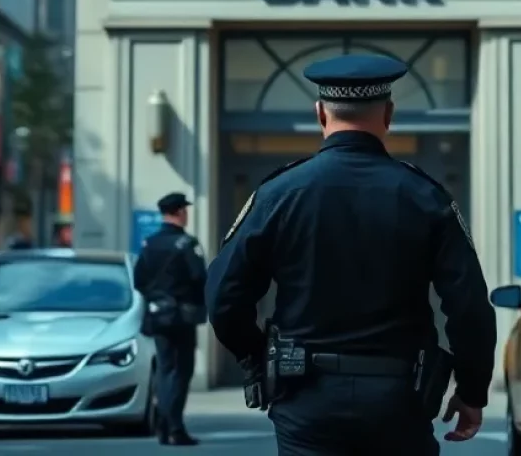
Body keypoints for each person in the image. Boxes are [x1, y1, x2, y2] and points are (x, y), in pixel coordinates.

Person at [206, 55, 498, 456]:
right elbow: (469, 308)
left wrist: (258, 359)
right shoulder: (425, 197)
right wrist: (472, 390)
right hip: (399, 401)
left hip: (306, 399)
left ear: (320, 113)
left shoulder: (279, 194)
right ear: (389, 114)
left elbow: (224, 297)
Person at [134, 192, 207, 446]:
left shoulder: (149, 243)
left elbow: (139, 280)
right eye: (184, 210)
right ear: (178, 212)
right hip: (181, 316)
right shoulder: (186, 244)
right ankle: (175, 426)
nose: (186, 214)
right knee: (182, 370)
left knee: (165, 369)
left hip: (156, 315)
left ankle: (164, 425)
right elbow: (200, 277)